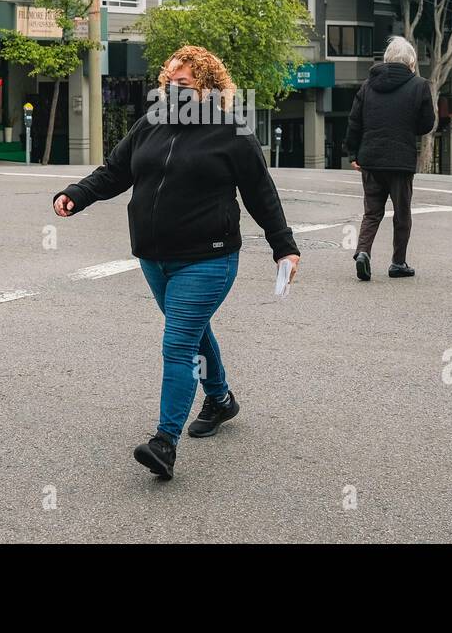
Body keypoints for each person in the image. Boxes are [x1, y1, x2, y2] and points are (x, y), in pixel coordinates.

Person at [52, 45, 300, 480]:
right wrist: (77, 194)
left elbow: (261, 192)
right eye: (168, 82)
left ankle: (165, 442)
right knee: (192, 331)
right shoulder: (151, 123)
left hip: (208, 258)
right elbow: (115, 172)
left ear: (207, 88)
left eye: (182, 84)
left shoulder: (232, 132)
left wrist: (285, 245)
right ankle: (221, 399)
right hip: (153, 257)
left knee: (178, 343)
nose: (172, 89)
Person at [345, 35, 436, 281]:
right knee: (402, 214)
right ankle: (398, 262)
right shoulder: (419, 86)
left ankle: (363, 252)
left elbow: (355, 121)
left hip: (371, 159)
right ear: (411, 62)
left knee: (372, 212)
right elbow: (426, 124)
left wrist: (352, 153)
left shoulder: (367, 85)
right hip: (400, 160)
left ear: (386, 60)